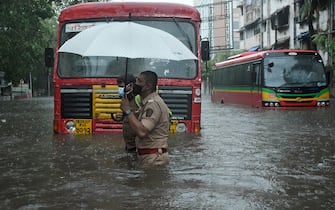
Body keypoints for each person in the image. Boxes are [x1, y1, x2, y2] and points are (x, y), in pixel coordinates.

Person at [120, 71, 170, 166]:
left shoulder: (153, 104)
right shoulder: (146, 103)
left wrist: (128, 111)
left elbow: (142, 131)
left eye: (139, 81)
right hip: (148, 156)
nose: (135, 84)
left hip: (154, 158)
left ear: (148, 86)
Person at [115, 74, 139, 153]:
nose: (120, 89)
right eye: (119, 87)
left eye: (122, 87)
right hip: (129, 144)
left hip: (138, 144)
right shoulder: (125, 99)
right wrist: (121, 116)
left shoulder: (138, 98)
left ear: (131, 85)